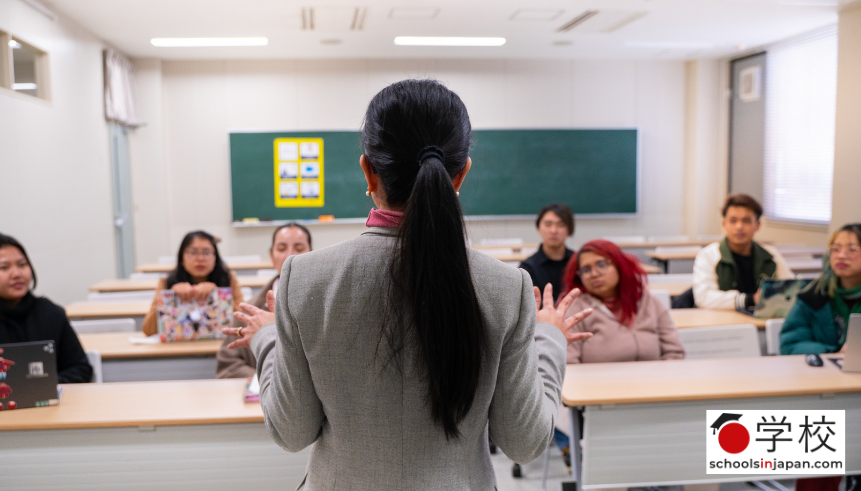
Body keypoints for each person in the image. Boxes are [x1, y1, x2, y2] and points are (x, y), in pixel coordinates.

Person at [225, 79, 593, 490]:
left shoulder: (305, 279)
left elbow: (292, 433)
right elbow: (524, 443)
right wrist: (550, 339)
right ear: (461, 174)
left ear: (368, 170)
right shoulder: (506, 287)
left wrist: (267, 340)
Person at [0, 233, 92, 383]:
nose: (17, 274)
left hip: (46, 404)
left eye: (22, 265)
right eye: (4, 267)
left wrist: (43, 387)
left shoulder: (50, 313)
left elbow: (80, 368)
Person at [564, 239, 685, 363]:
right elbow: (569, 363)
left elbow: (674, 352)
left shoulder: (648, 301)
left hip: (653, 379)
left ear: (619, 265)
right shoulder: (576, 311)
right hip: (598, 381)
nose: (594, 274)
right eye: (586, 270)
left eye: (601, 264)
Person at [216, 223, 312, 379]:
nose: (290, 255)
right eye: (281, 249)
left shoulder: (327, 307)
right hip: (262, 398)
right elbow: (228, 367)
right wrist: (267, 382)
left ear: (312, 254)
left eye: (299, 248)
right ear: (271, 256)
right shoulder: (250, 311)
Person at [692, 194, 793, 310]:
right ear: (724, 224)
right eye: (733, 221)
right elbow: (703, 298)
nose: (739, 226)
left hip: (762, 321)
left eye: (746, 221)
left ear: (758, 225)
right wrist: (748, 299)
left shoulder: (772, 255)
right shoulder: (708, 255)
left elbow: (791, 287)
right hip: (721, 322)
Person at [781, 223, 861, 355]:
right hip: (823, 371)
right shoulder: (814, 294)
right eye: (836, 249)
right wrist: (832, 353)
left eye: (852, 249)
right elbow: (790, 344)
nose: (841, 255)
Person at [141, 231, 243, 336]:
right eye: (193, 252)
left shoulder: (228, 279)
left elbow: (244, 323)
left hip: (219, 348)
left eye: (207, 252)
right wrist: (170, 297)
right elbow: (148, 330)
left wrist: (218, 295)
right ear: (181, 258)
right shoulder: (166, 283)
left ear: (215, 258)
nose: (200, 259)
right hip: (178, 349)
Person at [519, 203, 576, 301]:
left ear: (570, 229)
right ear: (538, 228)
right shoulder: (528, 267)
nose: (553, 230)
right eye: (548, 224)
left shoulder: (578, 262)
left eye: (561, 225)